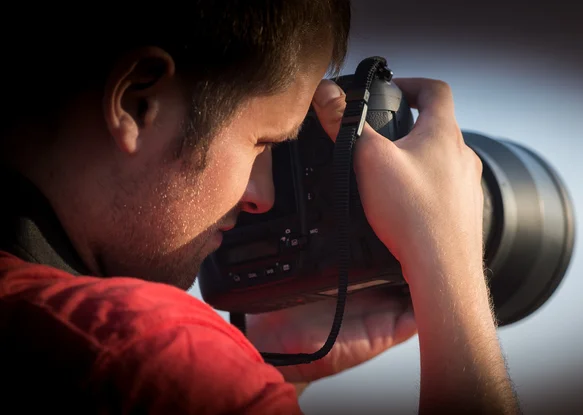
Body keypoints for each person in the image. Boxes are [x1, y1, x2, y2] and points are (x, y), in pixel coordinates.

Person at [0, 0, 521, 413]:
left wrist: (264, 376)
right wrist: (447, 258)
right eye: (261, 143)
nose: (262, 197)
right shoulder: (143, 354)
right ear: (138, 103)